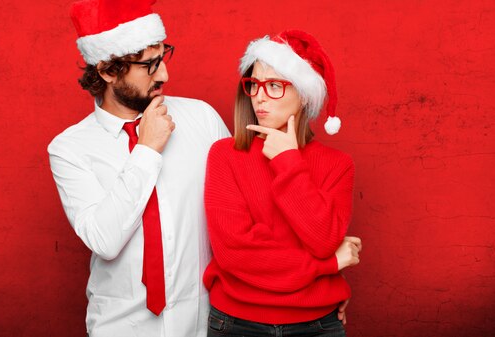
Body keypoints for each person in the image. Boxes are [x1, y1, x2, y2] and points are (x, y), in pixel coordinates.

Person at [47, 0, 230, 336]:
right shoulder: (70, 149)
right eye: (150, 65)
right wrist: (146, 149)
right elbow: (104, 240)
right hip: (122, 327)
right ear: (106, 70)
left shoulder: (202, 119)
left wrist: (313, 283)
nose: (165, 75)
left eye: (164, 57)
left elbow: (246, 211)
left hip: (203, 324)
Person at [203, 30, 363, 337]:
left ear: (303, 95)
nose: (260, 96)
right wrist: (326, 265)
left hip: (318, 326)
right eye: (254, 84)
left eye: (275, 85)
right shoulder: (225, 155)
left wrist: (287, 161)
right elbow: (237, 255)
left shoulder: (338, 165)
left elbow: (323, 239)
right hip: (236, 325)